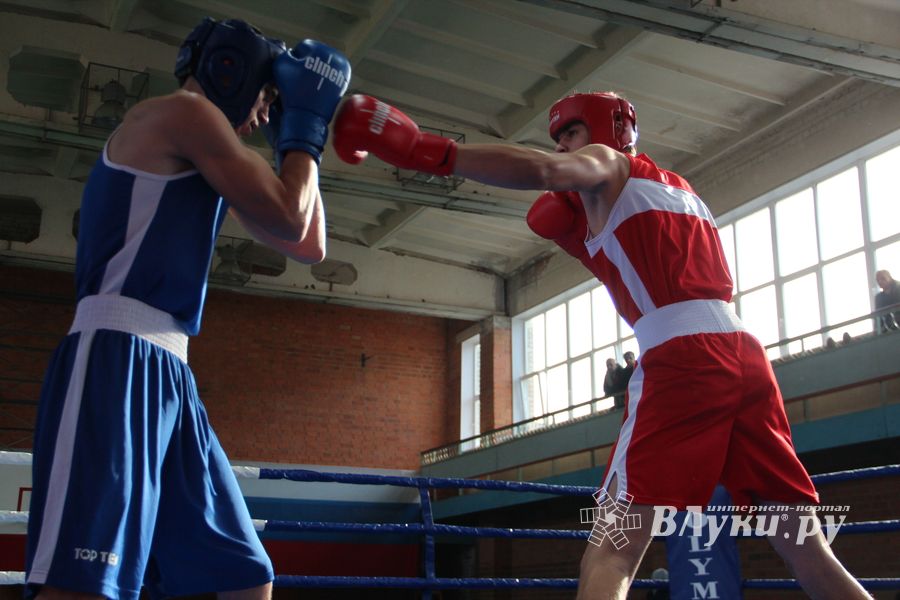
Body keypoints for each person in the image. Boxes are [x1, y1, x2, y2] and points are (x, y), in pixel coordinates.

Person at [330, 92, 871, 599]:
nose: (564, 142)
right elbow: (649, 268)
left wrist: (433, 151)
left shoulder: (606, 164)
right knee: (805, 546)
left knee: (611, 551)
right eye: (560, 134)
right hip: (745, 355)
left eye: (572, 130)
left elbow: (542, 169)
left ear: (608, 130)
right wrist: (584, 239)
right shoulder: (681, 189)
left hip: (684, 359)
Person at [25, 17, 350, 600]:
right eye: (267, 98)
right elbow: (290, 215)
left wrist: (300, 131)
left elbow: (307, 244)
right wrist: (306, 129)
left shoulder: (215, 153)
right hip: (114, 358)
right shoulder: (183, 115)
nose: (265, 115)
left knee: (245, 575)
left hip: (170, 372)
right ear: (231, 72)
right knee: (84, 583)